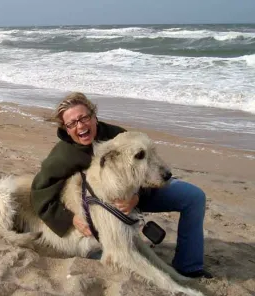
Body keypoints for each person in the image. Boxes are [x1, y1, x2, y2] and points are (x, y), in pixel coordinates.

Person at [30, 92, 212, 279]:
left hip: (139, 194)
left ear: (94, 116)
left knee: (194, 198)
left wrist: (136, 198)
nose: (81, 126)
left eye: (84, 118)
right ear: (66, 129)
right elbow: (39, 194)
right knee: (110, 251)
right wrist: (70, 219)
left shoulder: (119, 137)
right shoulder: (62, 156)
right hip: (100, 214)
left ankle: (189, 266)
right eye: (72, 123)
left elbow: (147, 171)